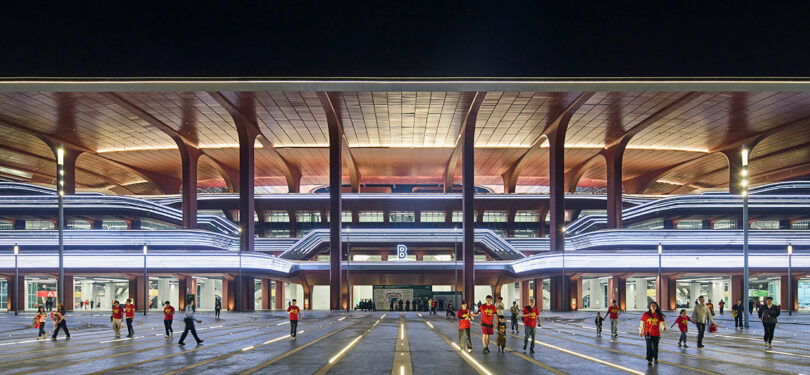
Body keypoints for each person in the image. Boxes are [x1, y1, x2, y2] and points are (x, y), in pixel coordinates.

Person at [639, 301, 666, 365]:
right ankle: (649, 359)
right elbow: (642, 323)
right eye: (652, 306)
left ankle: (655, 358)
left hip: (656, 334)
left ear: (656, 307)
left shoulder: (659, 315)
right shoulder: (646, 314)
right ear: (650, 307)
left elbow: (662, 322)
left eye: (654, 306)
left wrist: (663, 327)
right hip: (648, 333)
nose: (653, 307)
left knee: (655, 347)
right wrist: (640, 331)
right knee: (649, 347)